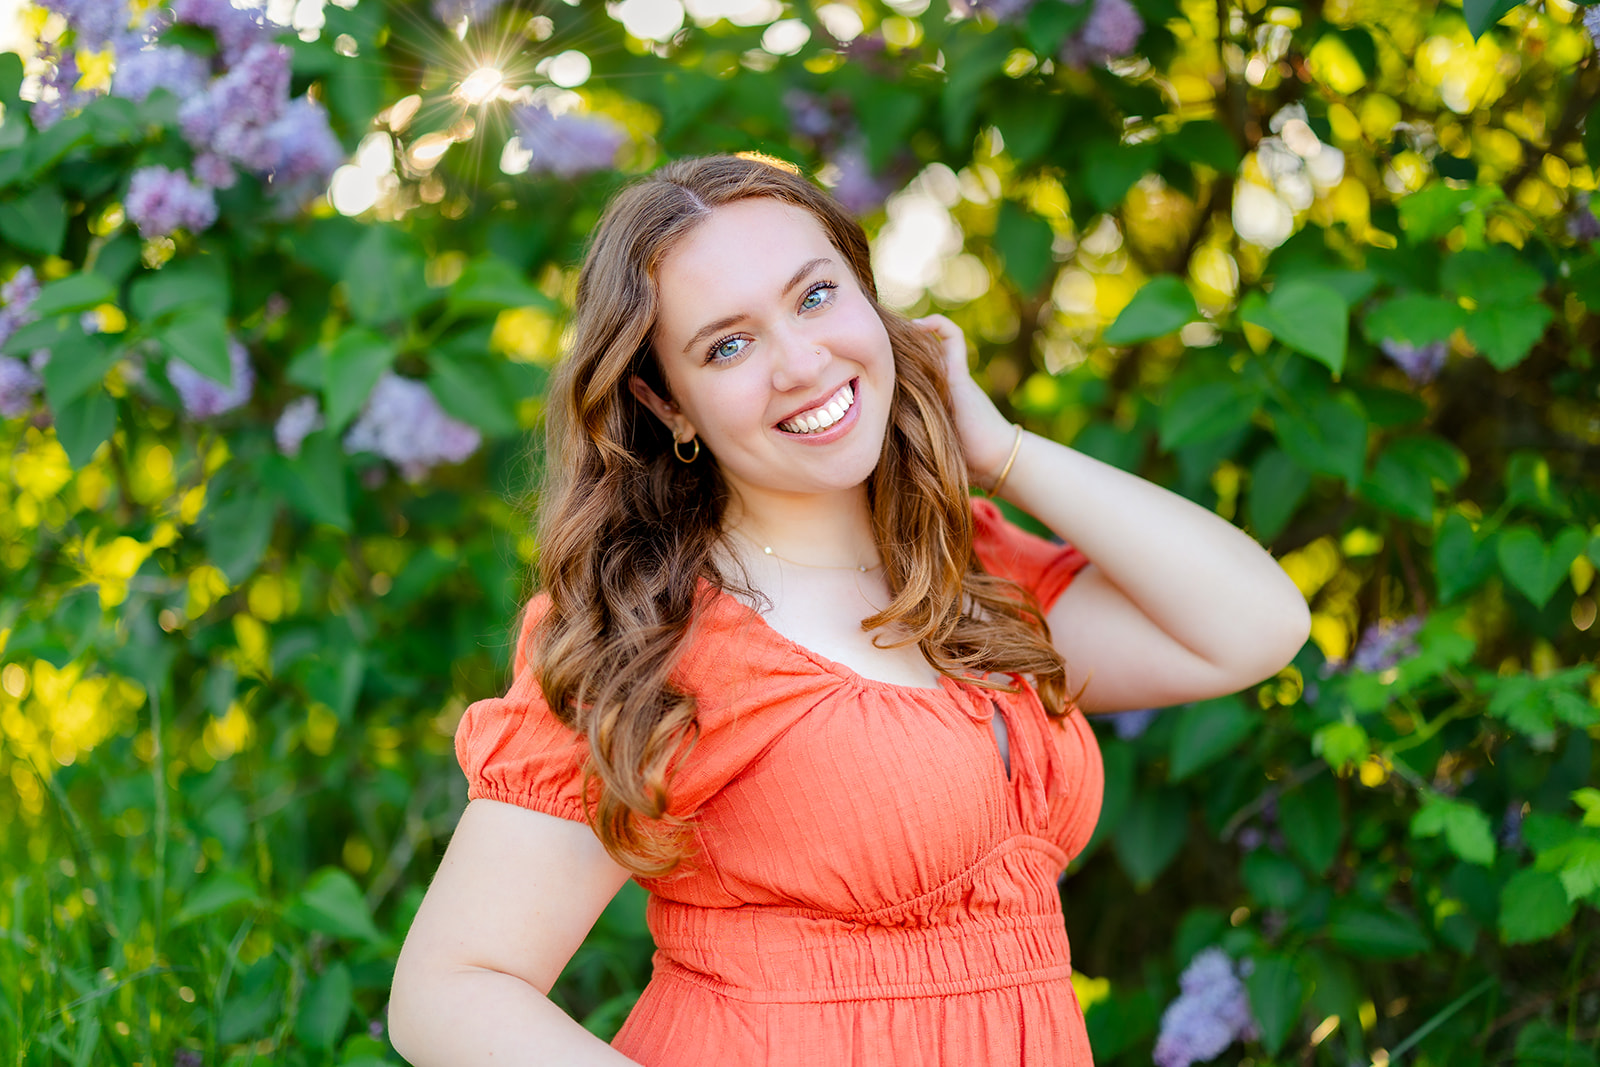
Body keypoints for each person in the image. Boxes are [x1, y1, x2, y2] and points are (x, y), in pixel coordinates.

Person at [388, 154, 1310, 1066]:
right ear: (668, 401)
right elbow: (450, 990)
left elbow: (1257, 625)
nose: (800, 361)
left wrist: (998, 446)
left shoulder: (964, 567)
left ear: (871, 299)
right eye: (729, 345)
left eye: (816, 296)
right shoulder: (651, 633)